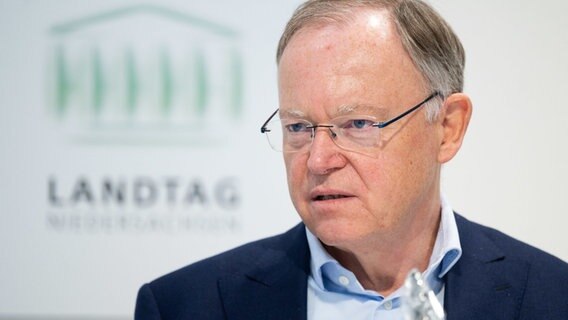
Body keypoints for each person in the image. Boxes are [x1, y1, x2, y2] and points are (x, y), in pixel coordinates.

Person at [135, 0, 568, 319]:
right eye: (299, 127)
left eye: (358, 123)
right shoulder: (185, 305)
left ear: (448, 128)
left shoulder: (553, 297)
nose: (319, 160)